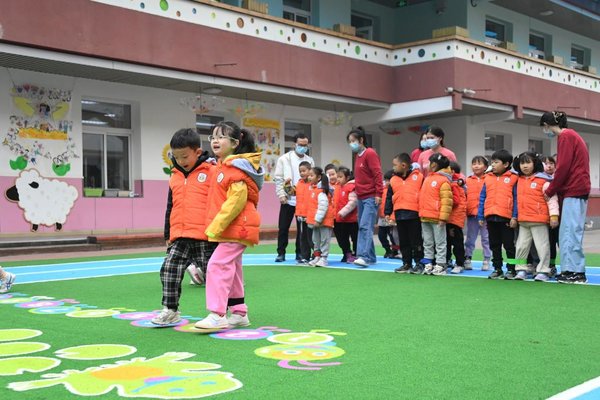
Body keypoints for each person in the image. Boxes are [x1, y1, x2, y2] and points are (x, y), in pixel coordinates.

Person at [194, 122, 264, 332]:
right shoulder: (223, 166)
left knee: (217, 265)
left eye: (221, 137)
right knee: (232, 268)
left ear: (235, 143)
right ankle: (239, 313)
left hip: (238, 226)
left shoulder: (235, 168)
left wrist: (216, 226)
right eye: (213, 136)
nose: (215, 140)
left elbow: (236, 201)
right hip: (234, 227)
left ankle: (217, 314)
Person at [152, 128, 217, 326]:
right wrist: (167, 233)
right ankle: (171, 310)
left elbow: (219, 202)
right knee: (169, 269)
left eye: (184, 156)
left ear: (198, 152)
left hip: (205, 235)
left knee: (215, 274)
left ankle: (227, 311)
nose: (180, 161)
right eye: (176, 156)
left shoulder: (212, 172)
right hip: (179, 234)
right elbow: (171, 205)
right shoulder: (175, 175)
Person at [540, 111, 591, 284]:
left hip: (574, 190)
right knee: (569, 231)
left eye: (543, 127)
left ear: (546, 125)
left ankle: (575, 271)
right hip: (576, 189)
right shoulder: (571, 135)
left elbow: (563, 167)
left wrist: (550, 190)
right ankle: (571, 270)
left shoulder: (565, 137)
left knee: (570, 231)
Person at [511, 152, 559, 282]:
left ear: (535, 164)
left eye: (528, 163)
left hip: (539, 220)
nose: (525, 166)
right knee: (521, 246)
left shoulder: (543, 180)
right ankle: (520, 269)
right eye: (522, 163)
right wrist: (514, 217)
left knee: (542, 246)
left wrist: (554, 216)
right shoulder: (518, 180)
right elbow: (515, 201)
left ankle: (543, 270)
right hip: (523, 220)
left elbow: (552, 199)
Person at [477, 149, 518, 280]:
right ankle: (497, 269)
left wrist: (514, 216)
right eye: (492, 162)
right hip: (490, 216)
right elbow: (482, 197)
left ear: (506, 164)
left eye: (496, 162)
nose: (492, 165)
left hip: (506, 217)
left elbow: (516, 199)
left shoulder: (513, 178)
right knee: (494, 244)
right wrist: (481, 215)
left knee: (509, 245)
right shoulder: (487, 178)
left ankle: (512, 269)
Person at [273, 133, 314, 262]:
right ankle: (281, 252)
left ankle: (300, 253)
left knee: (302, 230)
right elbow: (278, 178)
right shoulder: (284, 159)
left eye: (305, 145)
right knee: (283, 227)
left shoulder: (310, 160)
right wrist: (281, 194)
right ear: (295, 144)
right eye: (300, 145)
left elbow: (313, 179)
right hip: (288, 198)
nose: (303, 147)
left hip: (303, 201)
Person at [347, 127, 383, 268]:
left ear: (361, 140)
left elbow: (377, 174)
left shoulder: (370, 153)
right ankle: (371, 256)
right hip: (361, 196)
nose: (351, 144)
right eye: (349, 141)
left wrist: (379, 194)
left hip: (370, 196)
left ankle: (363, 256)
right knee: (363, 226)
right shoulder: (358, 156)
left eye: (353, 141)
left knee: (365, 226)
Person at [385, 153, 425, 274]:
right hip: (399, 214)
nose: (393, 168)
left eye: (395, 165)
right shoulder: (393, 179)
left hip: (414, 214)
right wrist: (387, 212)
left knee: (416, 241)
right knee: (403, 241)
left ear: (403, 165)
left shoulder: (419, 177)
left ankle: (419, 263)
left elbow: (424, 195)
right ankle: (406, 263)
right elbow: (389, 197)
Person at [419, 153, 453, 276]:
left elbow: (447, 201)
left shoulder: (443, 180)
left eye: (429, 162)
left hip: (437, 217)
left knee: (440, 242)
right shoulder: (427, 178)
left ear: (434, 165)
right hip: (425, 216)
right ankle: (428, 263)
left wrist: (443, 217)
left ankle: (441, 264)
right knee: (427, 241)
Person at [464, 156, 492, 271]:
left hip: (486, 214)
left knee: (486, 238)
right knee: (470, 238)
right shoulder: (467, 180)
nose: (476, 166)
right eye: (474, 163)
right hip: (472, 214)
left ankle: (486, 259)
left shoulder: (489, 179)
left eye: (479, 164)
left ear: (485, 167)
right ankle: (468, 258)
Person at [306, 167, 335, 267]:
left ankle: (324, 258)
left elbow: (323, 207)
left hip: (324, 221)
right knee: (316, 240)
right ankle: (317, 256)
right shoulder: (314, 189)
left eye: (311, 175)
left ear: (318, 177)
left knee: (324, 240)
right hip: (316, 222)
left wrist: (318, 219)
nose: (309, 177)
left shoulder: (321, 191)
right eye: (309, 175)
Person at [334, 166, 358, 263]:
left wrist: (343, 212)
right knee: (342, 239)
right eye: (337, 177)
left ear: (347, 177)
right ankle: (346, 254)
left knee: (355, 238)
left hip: (351, 220)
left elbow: (353, 202)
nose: (338, 179)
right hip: (339, 219)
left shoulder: (351, 187)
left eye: (341, 177)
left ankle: (356, 254)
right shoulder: (337, 187)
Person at [447, 162, 467, 274]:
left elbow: (455, 201)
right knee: (448, 242)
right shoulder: (454, 183)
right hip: (450, 217)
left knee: (456, 242)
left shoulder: (454, 185)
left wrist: (442, 202)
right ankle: (448, 260)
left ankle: (460, 263)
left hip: (454, 218)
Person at [541, 155, 559, 277]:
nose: (549, 166)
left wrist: (554, 216)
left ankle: (553, 265)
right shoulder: (540, 180)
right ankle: (545, 265)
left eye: (551, 163)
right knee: (546, 243)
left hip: (556, 217)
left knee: (555, 242)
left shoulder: (559, 179)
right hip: (543, 218)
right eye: (546, 163)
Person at [294, 161, 313, 265]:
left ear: (310, 170)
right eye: (300, 171)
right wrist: (286, 186)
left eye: (304, 171)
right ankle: (305, 256)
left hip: (311, 215)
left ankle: (316, 256)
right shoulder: (299, 183)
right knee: (303, 236)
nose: (302, 173)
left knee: (312, 237)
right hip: (300, 215)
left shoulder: (313, 184)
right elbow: (293, 194)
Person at [378, 170, 400, 258]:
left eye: (389, 180)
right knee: (381, 235)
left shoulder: (395, 190)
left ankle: (395, 250)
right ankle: (387, 249)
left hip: (391, 217)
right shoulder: (382, 190)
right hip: (382, 217)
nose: (387, 182)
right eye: (386, 180)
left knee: (393, 235)